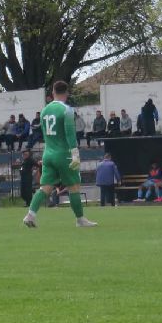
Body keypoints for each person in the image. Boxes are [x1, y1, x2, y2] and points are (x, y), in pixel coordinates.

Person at [22, 81, 97, 229]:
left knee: (46, 187)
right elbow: (70, 134)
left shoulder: (44, 111)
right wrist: (75, 153)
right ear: (67, 93)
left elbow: (44, 134)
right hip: (63, 154)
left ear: (53, 93)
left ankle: (30, 215)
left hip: (48, 153)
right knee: (74, 186)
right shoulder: (67, 110)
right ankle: (80, 220)